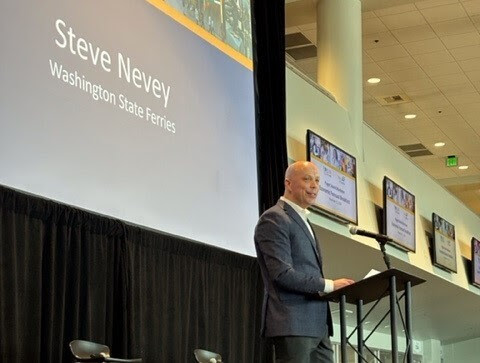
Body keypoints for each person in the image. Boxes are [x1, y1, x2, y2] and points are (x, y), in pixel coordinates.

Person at [254, 161, 354, 363]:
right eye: (307, 179)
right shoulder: (274, 218)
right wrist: (330, 285)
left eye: (317, 180)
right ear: (288, 183)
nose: (314, 185)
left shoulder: (303, 220)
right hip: (293, 323)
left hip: (318, 324)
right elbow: (282, 274)